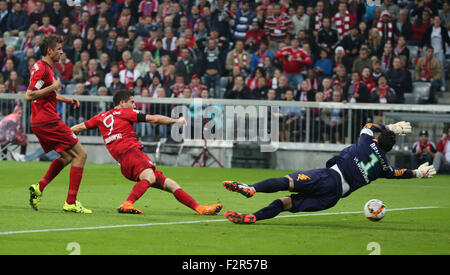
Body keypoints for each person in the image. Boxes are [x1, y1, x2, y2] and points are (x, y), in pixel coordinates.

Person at [222, 122, 437, 224]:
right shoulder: (384, 168)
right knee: (287, 204)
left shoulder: (366, 141)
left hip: (328, 177)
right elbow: (399, 173)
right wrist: (417, 173)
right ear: (389, 149)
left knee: (287, 182)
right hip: (332, 198)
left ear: (377, 139)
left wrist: (389, 126)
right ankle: (253, 217)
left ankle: (251, 189)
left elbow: (369, 125)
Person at [70, 90, 223, 215]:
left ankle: (200, 208)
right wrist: (175, 120)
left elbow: (79, 127)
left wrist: (64, 133)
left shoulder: (100, 117)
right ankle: (127, 204)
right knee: (149, 176)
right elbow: (154, 119)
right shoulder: (126, 112)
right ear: (122, 103)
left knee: (170, 184)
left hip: (125, 163)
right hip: (132, 153)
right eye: (132, 102)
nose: (134, 105)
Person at [25, 34, 91, 214]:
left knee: (68, 157)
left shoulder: (42, 67)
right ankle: (71, 202)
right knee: (81, 155)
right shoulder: (44, 70)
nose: (62, 52)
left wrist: (65, 99)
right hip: (48, 121)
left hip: (41, 121)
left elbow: (44, 94)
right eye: (59, 49)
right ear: (49, 51)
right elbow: (29, 95)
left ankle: (39, 187)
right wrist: (53, 87)